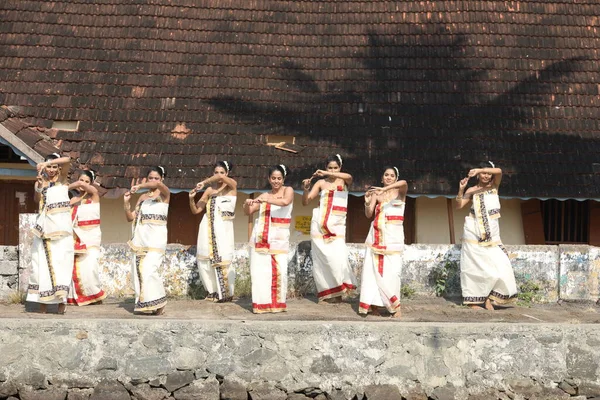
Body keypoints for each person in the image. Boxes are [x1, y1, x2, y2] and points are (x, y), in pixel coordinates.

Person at [456, 162, 518, 310]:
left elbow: (499, 171)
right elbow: (459, 206)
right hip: (473, 231)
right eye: (483, 173)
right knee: (474, 266)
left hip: (492, 232)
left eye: (487, 173)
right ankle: (474, 300)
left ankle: (490, 297)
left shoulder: (494, 187)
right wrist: (461, 189)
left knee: (499, 264)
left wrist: (480, 169)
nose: (485, 175)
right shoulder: (472, 190)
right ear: (478, 175)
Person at [302, 154, 356, 303]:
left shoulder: (344, 180)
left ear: (339, 168)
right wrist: (305, 189)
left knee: (338, 259)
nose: (332, 170)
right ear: (325, 167)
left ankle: (340, 290)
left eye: (335, 167)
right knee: (322, 260)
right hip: (319, 225)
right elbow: (306, 202)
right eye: (329, 167)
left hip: (337, 226)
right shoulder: (320, 183)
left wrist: (327, 173)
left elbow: (349, 176)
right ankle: (330, 294)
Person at [27, 153, 73, 314]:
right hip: (45, 228)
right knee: (41, 264)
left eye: (54, 167)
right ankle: (43, 304)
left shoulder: (63, 181)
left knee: (62, 263)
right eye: (49, 167)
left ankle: (62, 302)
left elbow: (67, 160)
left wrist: (46, 162)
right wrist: (39, 186)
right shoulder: (42, 182)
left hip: (62, 229)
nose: (52, 170)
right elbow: (36, 199)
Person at [244, 165, 294, 313]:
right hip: (262, 238)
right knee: (260, 271)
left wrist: (266, 199)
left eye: (279, 178)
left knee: (280, 271)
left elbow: (285, 202)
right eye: (273, 178)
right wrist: (247, 204)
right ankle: (261, 305)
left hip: (279, 238)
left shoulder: (287, 190)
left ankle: (277, 304)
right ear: (269, 179)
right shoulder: (264, 195)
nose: (276, 181)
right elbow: (249, 212)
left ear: (283, 179)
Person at [358, 167, 407, 317]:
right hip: (376, 237)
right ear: (382, 177)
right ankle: (374, 306)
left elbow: (404, 183)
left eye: (392, 176)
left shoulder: (400, 192)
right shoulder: (376, 194)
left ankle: (394, 306)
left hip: (394, 238)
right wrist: (367, 202)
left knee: (393, 271)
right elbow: (369, 214)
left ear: (395, 179)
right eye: (386, 175)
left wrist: (386, 188)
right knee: (372, 272)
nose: (389, 177)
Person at [124, 166, 170, 315]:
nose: (153, 181)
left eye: (156, 178)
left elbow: (157, 186)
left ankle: (160, 301)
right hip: (141, 239)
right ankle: (146, 303)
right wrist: (126, 203)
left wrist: (139, 185)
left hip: (156, 239)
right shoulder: (142, 198)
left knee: (150, 269)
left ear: (161, 179)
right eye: (150, 178)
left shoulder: (165, 194)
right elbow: (130, 218)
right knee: (139, 271)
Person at [190, 161, 237, 302]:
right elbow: (196, 210)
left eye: (222, 172)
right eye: (216, 172)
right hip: (208, 226)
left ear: (227, 174)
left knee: (223, 258)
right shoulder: (209, 191)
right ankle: (212, 292)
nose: (218, 175)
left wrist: (203, 182)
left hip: (223, 228)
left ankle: (225, 293)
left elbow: (223, 181)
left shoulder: (231, 187)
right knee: (205, 258)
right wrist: (191, 199)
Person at [67, 170, 106, 306]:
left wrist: (78, 184)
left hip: (91, 237)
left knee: (90, 267)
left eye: (86, 181)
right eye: (81, 180)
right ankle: (77, 298)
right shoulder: (73, 200)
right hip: (76, 237)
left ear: (91, 183)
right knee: (76, 268)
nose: (83, 184)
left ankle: (95, 296)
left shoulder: (94, 196)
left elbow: (92, 190)